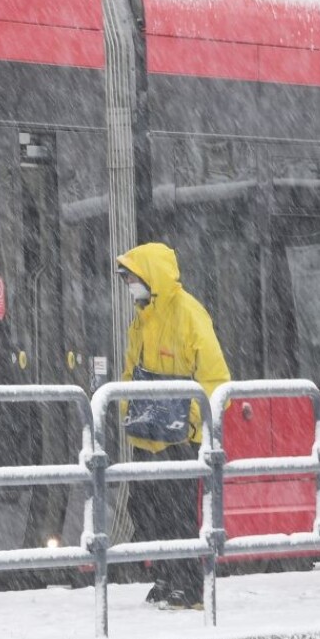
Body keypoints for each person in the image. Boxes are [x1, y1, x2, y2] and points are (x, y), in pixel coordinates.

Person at [116, 243, 231, 610]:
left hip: (179, 437)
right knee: (147, 512)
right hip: (146, 435)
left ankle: (190, 586)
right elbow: (130, 371)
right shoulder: (142, 318)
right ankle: (166, 576)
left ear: (151, 278)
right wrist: (128, 407)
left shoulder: (189, 314)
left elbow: (217, 381)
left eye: (133, 279)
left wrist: (189, 419)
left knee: (178, 514)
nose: (130, 287)